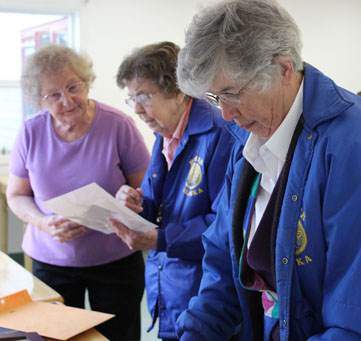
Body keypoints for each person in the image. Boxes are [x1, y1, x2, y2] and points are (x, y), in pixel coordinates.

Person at [174, 0, 361, 340]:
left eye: (231, 94)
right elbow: (222, 265)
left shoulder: (351, 146)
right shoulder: (249, 138)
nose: (227, 115)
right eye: (215, 99)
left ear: (284, 68)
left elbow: (351, 320)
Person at [6, 44, 150, 341]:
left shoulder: (118, 125)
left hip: (116, 264)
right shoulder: (30, 132)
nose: (68, 100)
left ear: (87, 83)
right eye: (54, 95)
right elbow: (17, 195)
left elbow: (148, 191)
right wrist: (44, 222)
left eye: (74, 87)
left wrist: (130, 198)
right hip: (51, 263)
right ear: (39, 100)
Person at [109, 41, 237, 340]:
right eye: (131, 99)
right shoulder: (164, 131)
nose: (138, 110)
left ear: (179, 90)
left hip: (205, 296)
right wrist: (135, 203)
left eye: (144, 96)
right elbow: (160, 203)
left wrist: (160, 237)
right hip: (168, 286)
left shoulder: (222, 133)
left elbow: (226, 226)